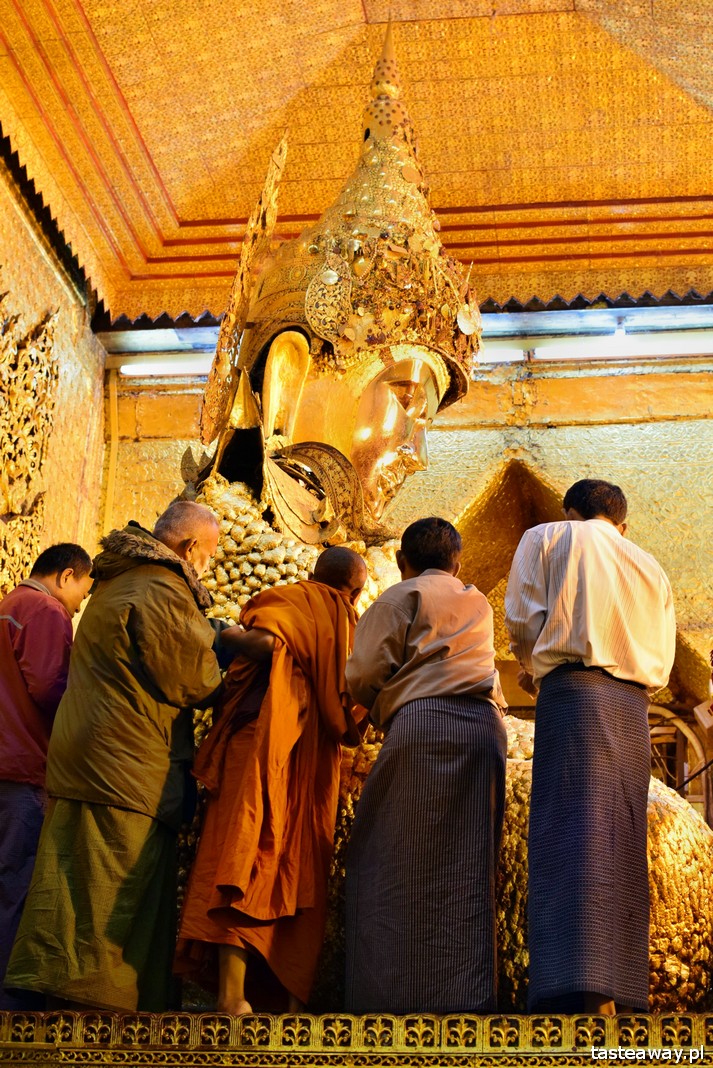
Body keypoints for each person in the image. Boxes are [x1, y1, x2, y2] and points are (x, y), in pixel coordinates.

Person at [5, 501, 224, 1012]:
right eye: (210, 555)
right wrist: (229, 662)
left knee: (64, 886)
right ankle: (95, 1016)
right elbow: (192, 677)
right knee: (112, 899)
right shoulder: (161, 586)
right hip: (125, 765)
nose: (208, 565)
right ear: (191, 546)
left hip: (81, 759)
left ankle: (43, 1004)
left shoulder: (116, 582)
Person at [504, 478, 676, 1016]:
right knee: (621, 842)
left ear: (570, 511)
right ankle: (619, 992)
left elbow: (522, 617)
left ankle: (578, 994)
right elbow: (663, 652)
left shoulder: (550, 536)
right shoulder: (650, 566)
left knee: (570, 837)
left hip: (574, 694)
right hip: (633, 708)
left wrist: (535, 667)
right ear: (622, 525)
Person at [174, 546, 367, 1014]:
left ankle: (232, 996)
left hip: (262, 743)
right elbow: (358, 702)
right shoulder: (349, 622)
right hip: (312, 757)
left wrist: (230, 634)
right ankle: (292, 1003)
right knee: (298, 866)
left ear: (315, 574)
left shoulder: (294, 598)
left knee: (241, 852)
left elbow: (265, 643)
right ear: (356, 590)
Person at [343, 517, 507, 1014]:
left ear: (401, 561)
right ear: (457, 563)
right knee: (470, 867)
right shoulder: (478, 601)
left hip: (423, 724)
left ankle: (393, 1002)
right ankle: (466, 1006)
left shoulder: (399, 597)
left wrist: (378, 706)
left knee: (388, 858)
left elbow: (364, 673)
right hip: (485, 729)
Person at [0, 543, 93, 1010]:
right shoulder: (46, 610)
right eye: (83, 591)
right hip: (22, 768)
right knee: (15, 888)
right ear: (66, 575)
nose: (79, 605)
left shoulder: (8, 605)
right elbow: (51, 687)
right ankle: (9, 1011)